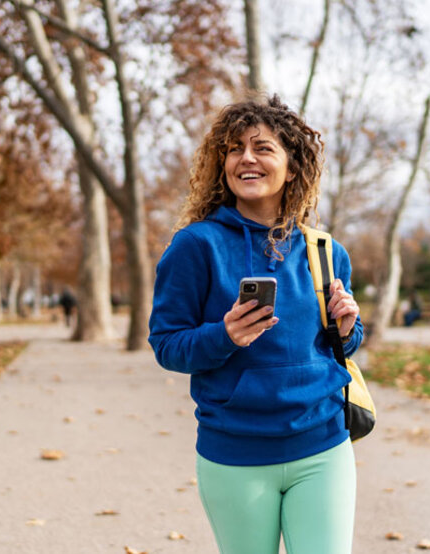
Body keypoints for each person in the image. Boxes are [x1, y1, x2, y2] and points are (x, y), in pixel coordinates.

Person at [148, 95, 363, 554]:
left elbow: (338, 346)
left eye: (262, 147)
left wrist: (347, 328)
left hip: (322, 446)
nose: (246, 158)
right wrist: (223, 336)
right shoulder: (195, 246)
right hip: (234, 454)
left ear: (292, 165)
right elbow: (166, 343)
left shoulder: (325, 251)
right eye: (233, 148)